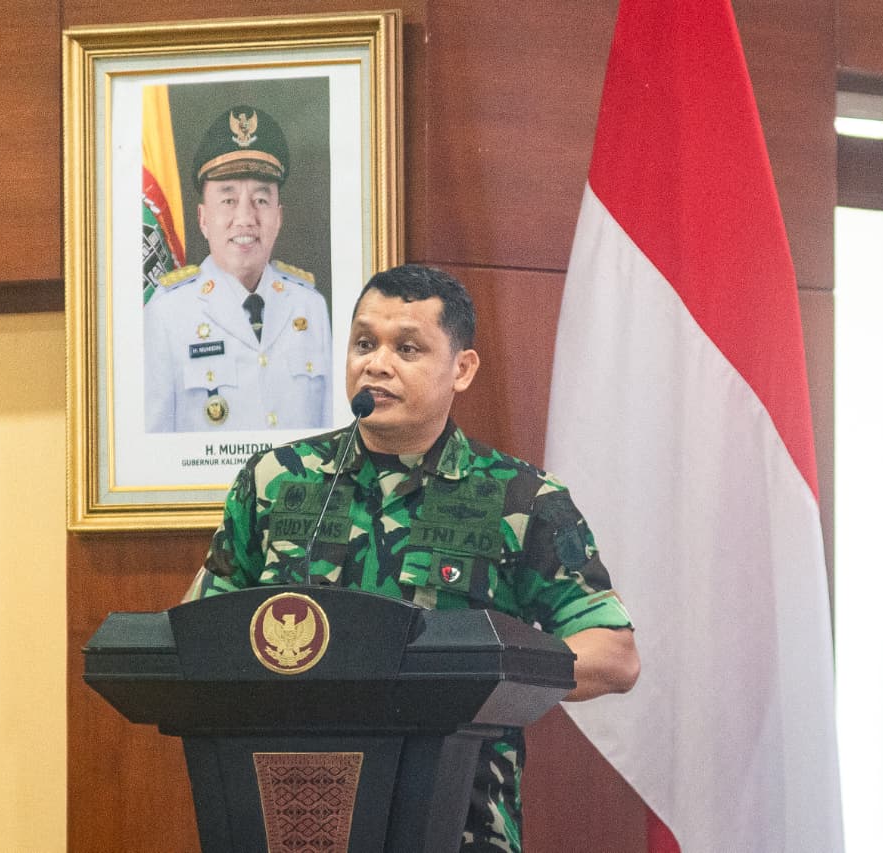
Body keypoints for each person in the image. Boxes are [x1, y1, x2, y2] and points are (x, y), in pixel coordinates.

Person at [184, 264, 640, 852]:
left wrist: (485, 676)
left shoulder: (521, 498)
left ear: (462, 369)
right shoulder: (277, 480)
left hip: (460, 820)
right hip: (296, 815)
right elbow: (197, 633)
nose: (376, 364)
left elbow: (614, 654)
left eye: (407, 348)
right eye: (364, 343)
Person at [143, 105, 332, 432]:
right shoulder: (166, 313)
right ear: (203, 219)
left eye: (261, 200)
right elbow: (153, 445)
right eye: (228, 200)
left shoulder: (310, 307)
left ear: (278, 217)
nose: (245, 218)